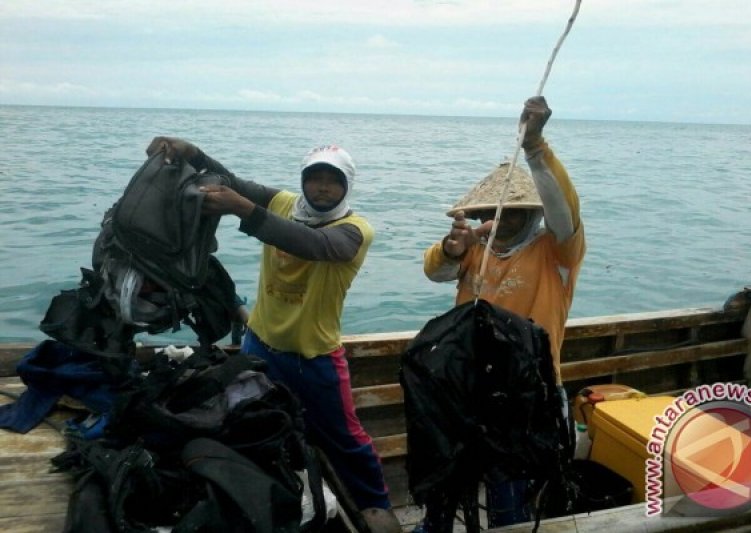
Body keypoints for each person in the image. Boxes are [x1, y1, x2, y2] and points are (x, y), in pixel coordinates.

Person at [144, 138, 398, 530]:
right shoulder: (281, 203)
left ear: (347, 185)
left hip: (313, 357)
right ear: (303, 181)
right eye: (314, 178)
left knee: (346, 438)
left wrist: (243, 210)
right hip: (259, 344)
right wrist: (193, 154)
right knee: (259, 424)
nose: (323, 188)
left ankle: (375, 505)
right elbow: (231, 181)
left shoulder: (354, 230)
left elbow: (312, 244)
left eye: (333, 180)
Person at [420, 95, 586, 529]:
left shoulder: (557, 251)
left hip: (528, 395)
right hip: (467, 388)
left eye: (516, 211)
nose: (506, 220)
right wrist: (452, 248)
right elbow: (435, 272)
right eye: (498, 211)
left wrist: (534, 146)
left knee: (509, 494)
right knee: (446, 484)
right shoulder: (475, 249)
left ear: (533, 212)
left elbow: (565, 212)